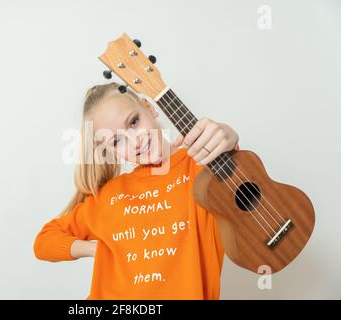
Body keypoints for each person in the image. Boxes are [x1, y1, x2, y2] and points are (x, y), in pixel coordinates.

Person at [33, 82, 240, 299]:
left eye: (133, 122)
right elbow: (44, 241)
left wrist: (229, 138)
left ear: (148, 107)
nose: (135, 142)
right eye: (117, 141)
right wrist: (97, 250)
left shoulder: (201, 168)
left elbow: (248, 189)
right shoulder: (110, 196)